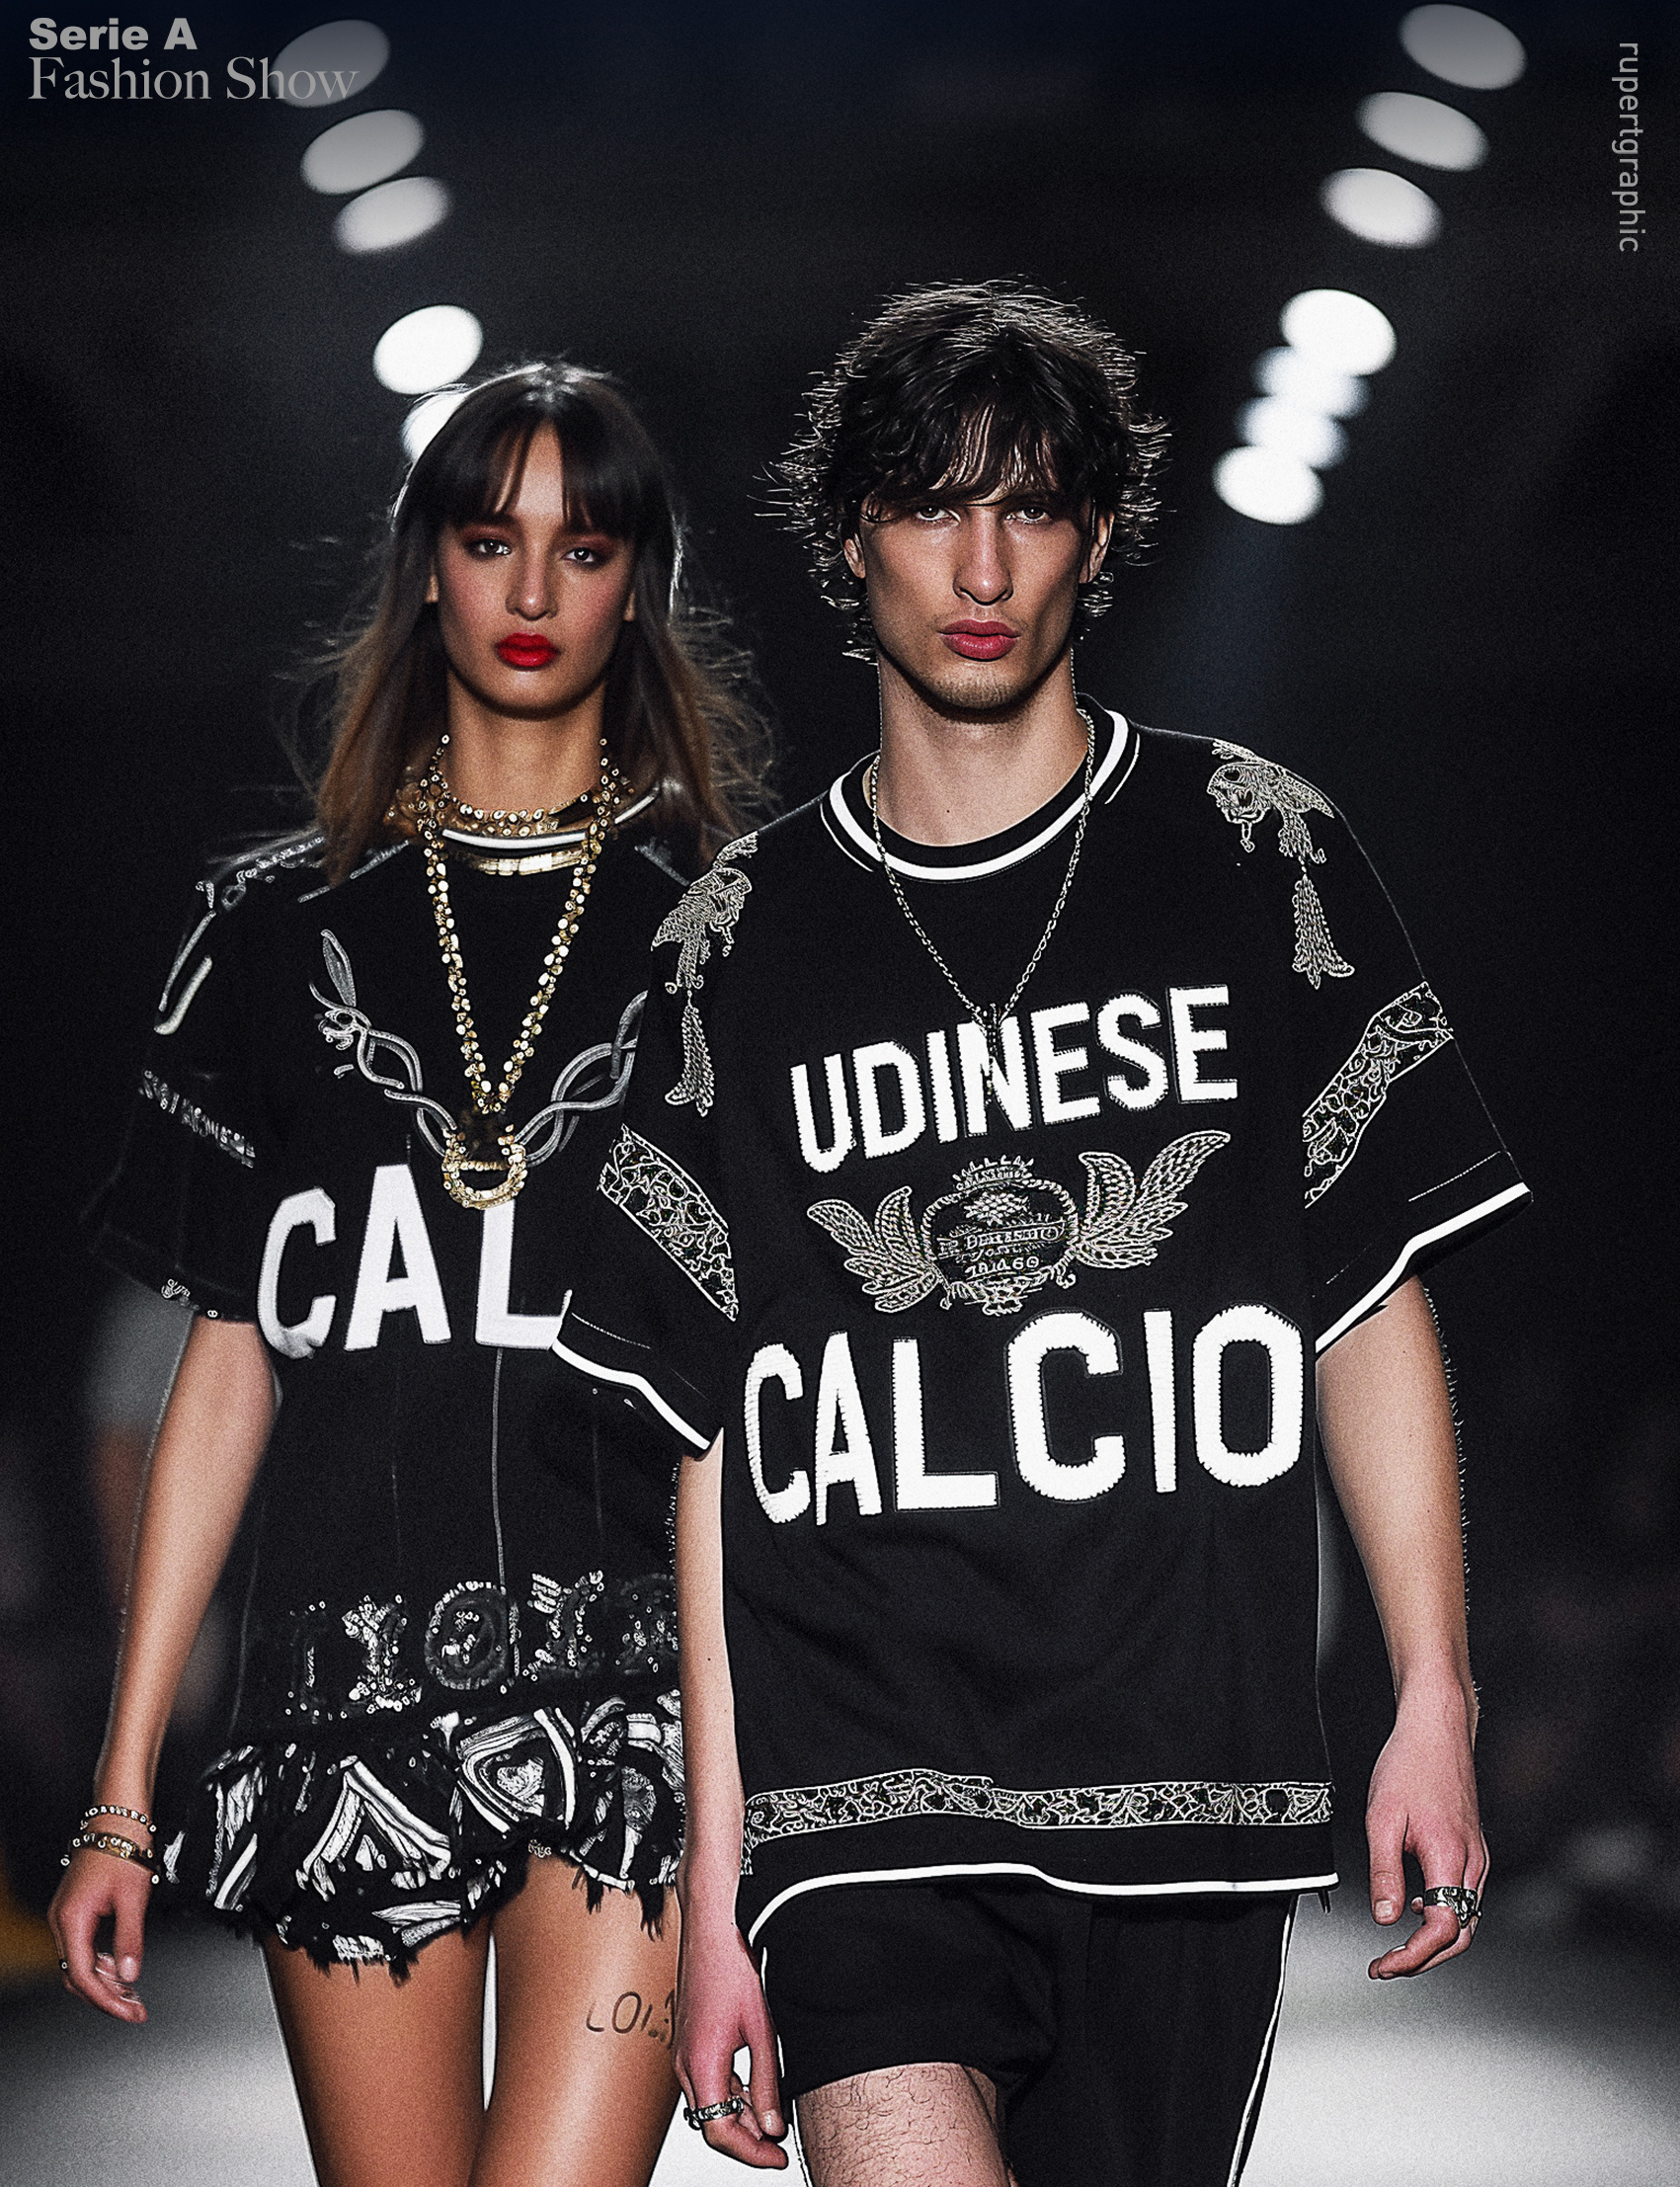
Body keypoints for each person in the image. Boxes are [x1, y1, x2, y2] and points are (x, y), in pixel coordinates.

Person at [549, 283, 1528, 2185]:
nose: (982, 566)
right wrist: (720, 1871)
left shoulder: (1251, 850)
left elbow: (1361, 1296)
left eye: (1030, 506)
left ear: (1098, 532)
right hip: (861, 1795)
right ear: (852, 539)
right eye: (930, 505)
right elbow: (717, 1435)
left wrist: (1432, 1690)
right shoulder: (734, 941)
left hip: (1187, 1777)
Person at [50, 362, 767, 2187]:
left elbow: (753, 1398)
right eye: (488, 538)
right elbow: (227, 1357)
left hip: (629, 1716)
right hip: (335, 1702)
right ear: (424, 566)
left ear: (640, 584)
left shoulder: (726, 935)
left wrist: (756, 1803)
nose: (531, 591)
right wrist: (124, 1790)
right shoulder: (270, 934)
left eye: (582, 548)